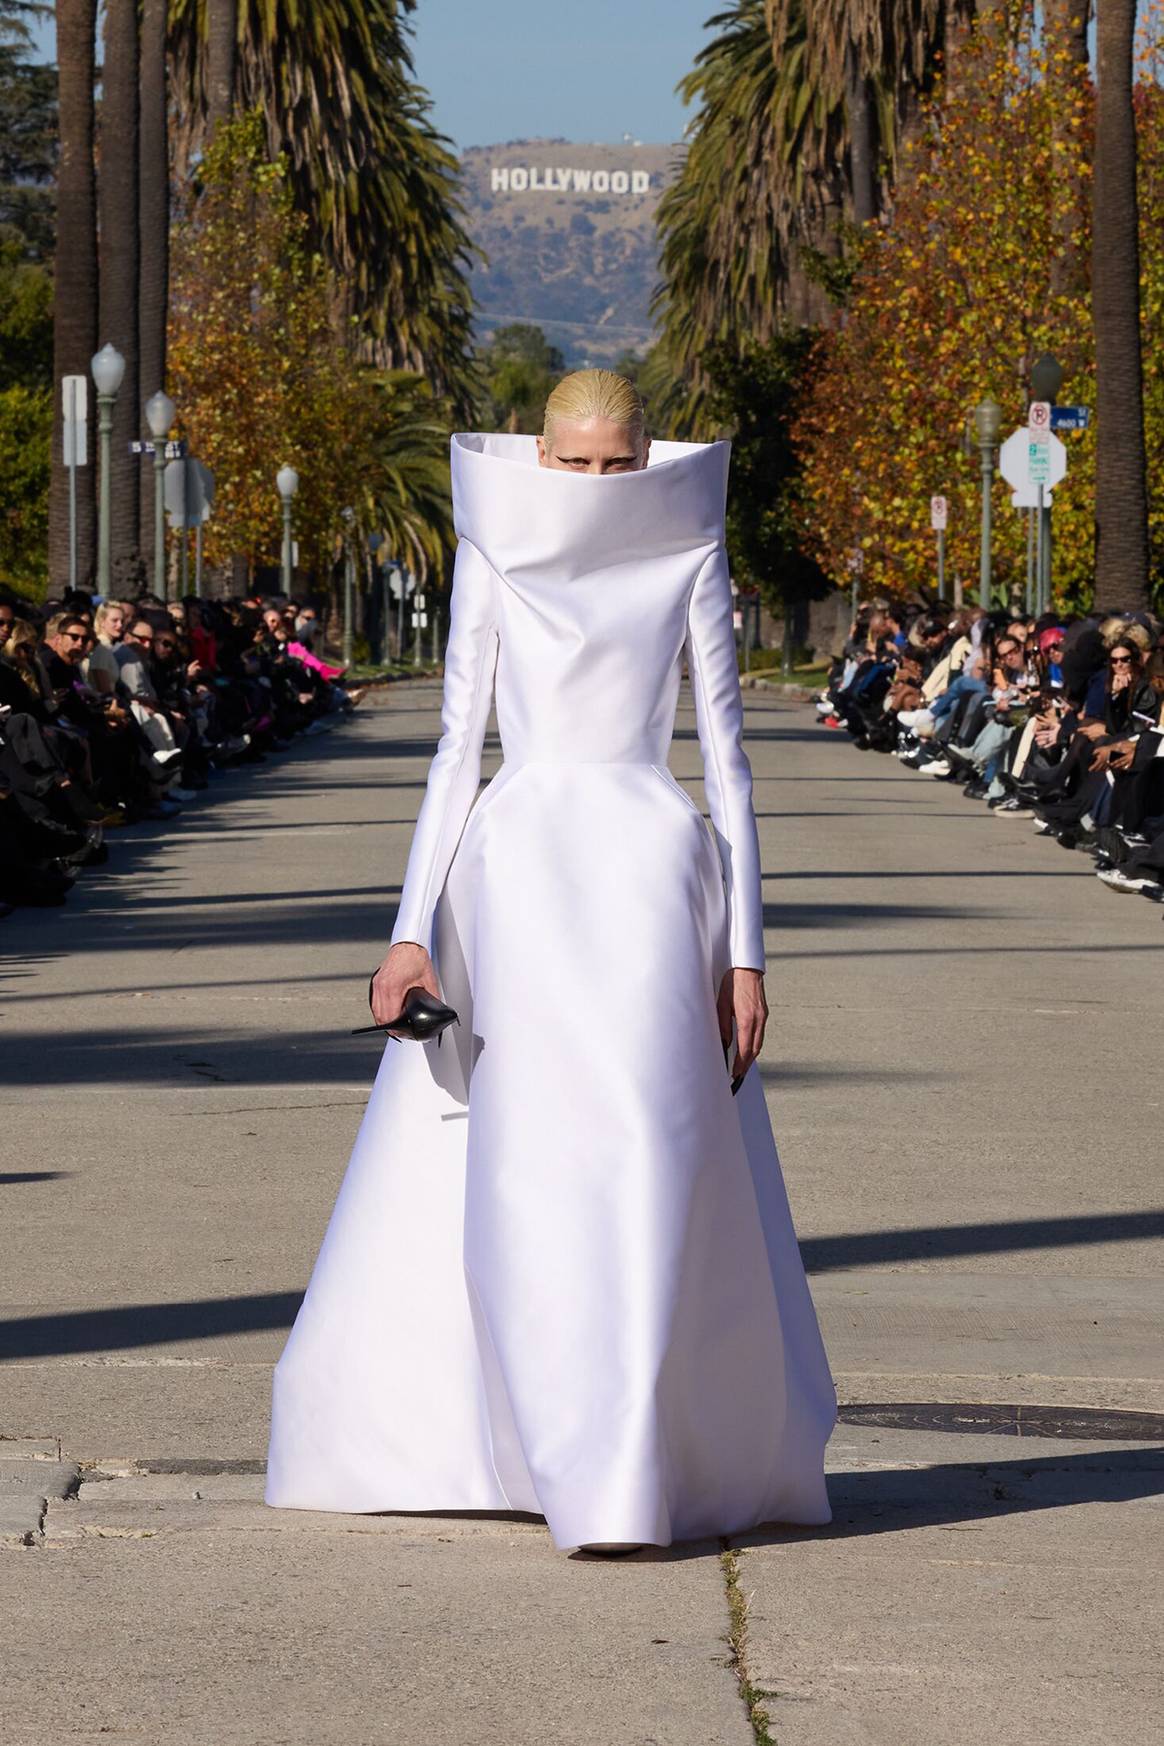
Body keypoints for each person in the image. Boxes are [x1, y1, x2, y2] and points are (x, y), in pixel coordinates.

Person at [266, 370, 837, 1555]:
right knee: (516, 1155)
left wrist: (748, 952)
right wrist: (412, 927)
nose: (590, 486)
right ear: (536, 455)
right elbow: (453, 753)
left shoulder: (687, 549)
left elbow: (727, 759)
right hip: (516, 868)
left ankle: (627, 1459)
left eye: (613, 463)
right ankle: (525, 1440)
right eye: (570, 463)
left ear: (646, 455)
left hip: (646, 868)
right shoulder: (495, 550)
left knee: (647, 1144)